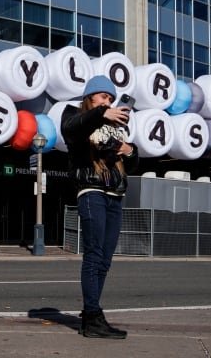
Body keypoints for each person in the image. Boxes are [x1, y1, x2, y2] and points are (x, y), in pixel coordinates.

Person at [61, 75, 138, 339]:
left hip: (115, 195)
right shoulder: (75, 116)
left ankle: (90, 315)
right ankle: (93, 316)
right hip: (92, 191)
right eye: (104, 97)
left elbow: (130, 162)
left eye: (111, 99)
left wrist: (130, 150)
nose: (108, 102)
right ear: (90, 97)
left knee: (105, 260)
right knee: (93, 254)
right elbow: (73, 129)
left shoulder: (115, 127)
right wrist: (103, 114)